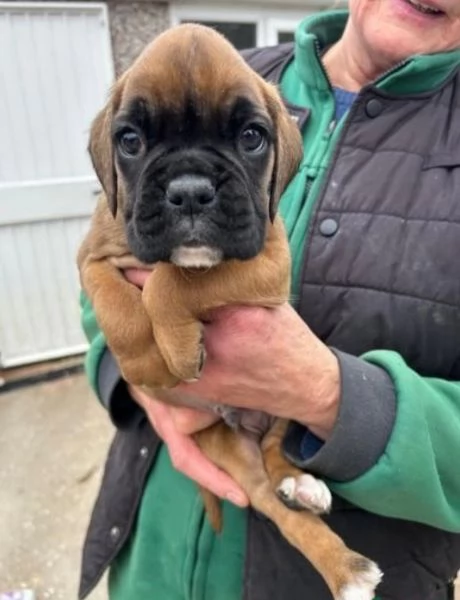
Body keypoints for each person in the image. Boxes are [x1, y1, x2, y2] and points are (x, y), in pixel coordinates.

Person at [78, 2, 460, 599]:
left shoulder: (253, 99)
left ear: (279, 148)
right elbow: (101, 260)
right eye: (137, 139)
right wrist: (136, 377)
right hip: (152, 554)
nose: (189, 188)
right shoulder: (237, 77)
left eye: (248, 139)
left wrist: (331, 397)